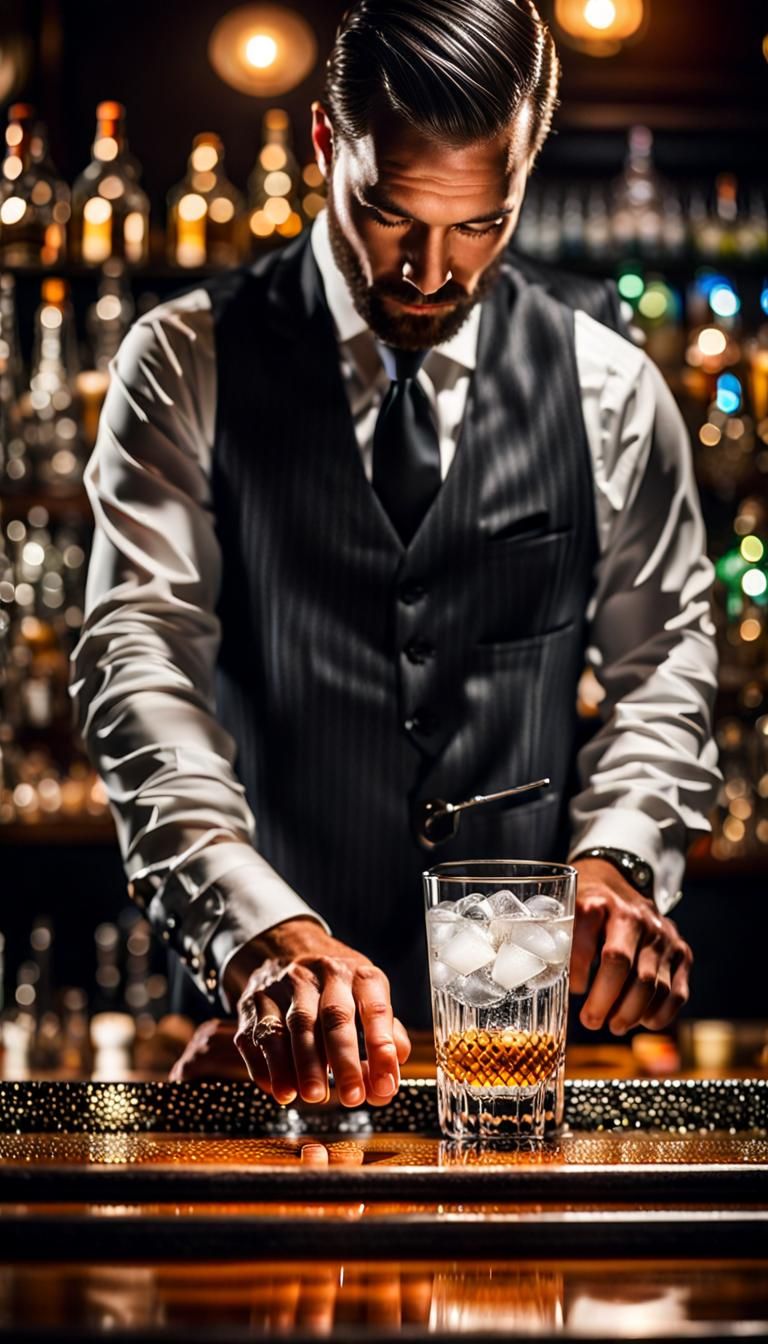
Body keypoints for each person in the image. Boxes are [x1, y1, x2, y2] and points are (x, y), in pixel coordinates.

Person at [70, 0, 720, 1108]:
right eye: (389, 215)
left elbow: (667, 666)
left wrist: (618, 855)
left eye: (479, 225)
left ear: (523, 176)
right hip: (263, 1037)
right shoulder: (183, 361)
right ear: (329, 144)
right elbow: (140, 664)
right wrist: (257, 932)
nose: (429, 272)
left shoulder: (612, 388)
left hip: (524, 1057)